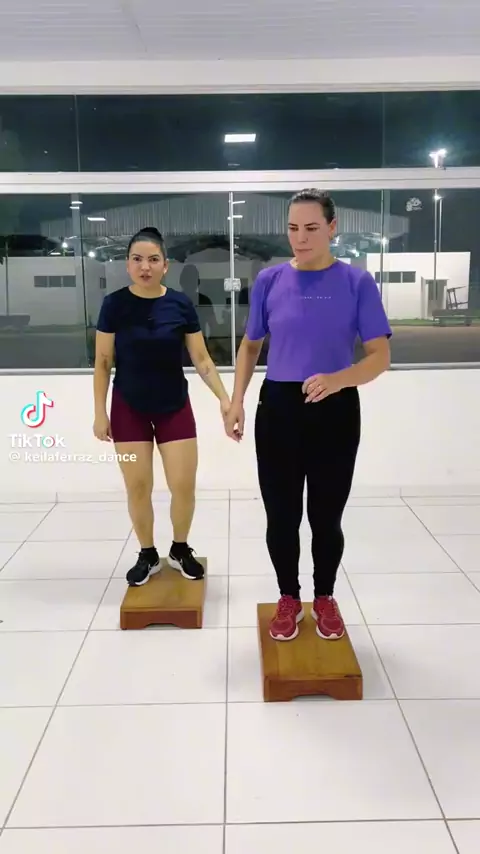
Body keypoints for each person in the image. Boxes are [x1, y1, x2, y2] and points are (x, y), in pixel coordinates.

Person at [224, 190, 391, 642]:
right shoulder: (269, 280)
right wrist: (237, 400)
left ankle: (324, 596)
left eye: (312, 228)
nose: (300, 238)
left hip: (335, 409)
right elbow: (250, 346)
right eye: (293, 228)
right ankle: (288, 597)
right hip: (279, 408)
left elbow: (379, 356)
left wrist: (340, 379)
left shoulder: (357, 283)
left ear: (332, 228)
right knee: (281, 516)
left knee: (326, 516)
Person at [93, 227, 231, 587]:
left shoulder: (180, 304)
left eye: (153, 259)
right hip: (128, 408)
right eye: (137, 259)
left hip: (174, 406)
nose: (145, 266)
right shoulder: (114, 305)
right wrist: (99, 412)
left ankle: (180, 549)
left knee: (183, 485)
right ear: (127, 265)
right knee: (138, 487)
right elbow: (103, 362)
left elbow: (201, 358)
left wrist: (224, 397)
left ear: (165, 265)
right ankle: (148, 553)